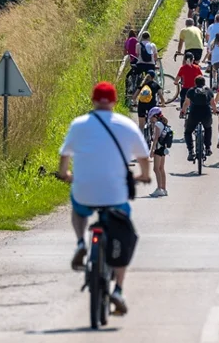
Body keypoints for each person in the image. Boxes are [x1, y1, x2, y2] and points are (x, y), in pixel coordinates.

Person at [58, 82, 152, 315]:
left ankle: (81, 242)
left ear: (93, 100)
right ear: (113, 101)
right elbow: (143, 157)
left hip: (84, 191)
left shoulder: (78, 125)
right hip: (115, 195)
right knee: (124, 235)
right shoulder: (126, 125)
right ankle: (118, 289)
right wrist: (145, 176)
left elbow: (64, 157)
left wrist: (66, 175)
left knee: (79, 209)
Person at [180, 75, 218, 161]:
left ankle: (191, 151)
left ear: (195, 83)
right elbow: (213, 103)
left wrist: (183, 112)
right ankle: (208, 148)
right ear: (204, 83)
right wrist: (215, 111)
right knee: (208, 128)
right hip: (206, 113)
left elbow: (186, 103)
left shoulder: (191, 91)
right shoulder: (208, 90)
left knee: (188, 132)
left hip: (194, 114)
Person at [146, 107, 173, 198]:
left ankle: (159, 189)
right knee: (161, 168)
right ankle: (164, 189)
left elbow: (156, 138)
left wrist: (152, 150)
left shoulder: (157, 124)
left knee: (156, 168)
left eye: (151, 117)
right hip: (163, 149)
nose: (151, 119)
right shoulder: (163, 123)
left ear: (155, 116)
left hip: (158, 149)